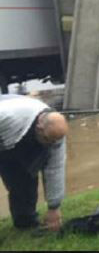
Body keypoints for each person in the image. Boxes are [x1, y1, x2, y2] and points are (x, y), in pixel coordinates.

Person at [0, 95, 68, 231]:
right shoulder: (7, 116)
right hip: (7, 128)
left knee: (25, 178)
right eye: (48, 140)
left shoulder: (55, 132)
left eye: (54, 141)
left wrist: (54, 207)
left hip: (18, 136)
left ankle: (26, 223)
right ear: (39, 127)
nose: (52, 145)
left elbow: (55, 169)